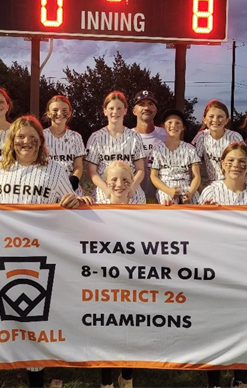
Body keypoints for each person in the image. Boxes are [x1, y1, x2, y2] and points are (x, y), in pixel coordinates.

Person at [0, 115, 89, 388]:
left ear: (41, 142)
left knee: (34, 319)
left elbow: (70, 205)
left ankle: (36, 380)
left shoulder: (54, 170)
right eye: (20, 137)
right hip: (2, 255)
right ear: (12, 140)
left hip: (38, 257)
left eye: (32, 137)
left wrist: (73, 201)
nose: (26, 142)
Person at [199, 142, 247, 388]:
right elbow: (196, 231)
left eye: (241, 161)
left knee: (244, 325)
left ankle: (240, 378)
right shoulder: (210, 192)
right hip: (216, 268)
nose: (235, 165)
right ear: (222, 164)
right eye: (230, 161)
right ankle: (214, 381)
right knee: (215, 326)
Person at [97, 160, 139, 388]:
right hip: (104, 284)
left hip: (132, 283)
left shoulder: (142, 212)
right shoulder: (93, 210)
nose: (119, 184)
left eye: (125, 180)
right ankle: (106, 382)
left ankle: (127, 377)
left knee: (129, 331)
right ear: (106, 182)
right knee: (105, 331)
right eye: (113, 179)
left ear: (132, 183)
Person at [86, 91, 148, 203]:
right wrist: (105, 189)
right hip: (106, 187)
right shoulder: (96, 137)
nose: (115, 112)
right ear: (105, 111)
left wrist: (132, 187)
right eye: (111, 108)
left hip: (129, 187)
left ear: (125, 111)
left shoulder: (134, 137)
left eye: (119, 108)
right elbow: (92, 172)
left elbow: (140, 170)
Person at [150, 109, 201, 205]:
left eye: (178, 123)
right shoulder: (157, 149)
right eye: (169, 122)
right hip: (166, 186)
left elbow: (196, 176)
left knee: (195, 205)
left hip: (186, 186)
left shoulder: (189, 149)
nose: (173, 126)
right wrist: (168, 190)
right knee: (169, 205)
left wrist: (190, 193)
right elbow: (153, 176)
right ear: (163, 126)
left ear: (183, 128)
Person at [192, 99, 244, 188]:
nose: (215, 120)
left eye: (220, 116)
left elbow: (245, 162)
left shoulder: (235, 136)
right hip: (214, 184)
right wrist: (199, 188)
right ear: (204, 119)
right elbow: (194, 164)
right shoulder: (202, 136)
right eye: (211, 116)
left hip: (236, 182)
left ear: (226, 120)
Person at [43, 95, 86, 194]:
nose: (59, 113)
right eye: (55, 110)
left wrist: (74, 181)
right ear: (48, 113)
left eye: (64, 110)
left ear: (70, 113)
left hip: (70, 186)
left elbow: (78, 166)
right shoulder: (41, 136)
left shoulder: (76, 137)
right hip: (47, 186)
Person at [131, 90, 167, 202]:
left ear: (155, 110)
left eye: (150, 104)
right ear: (134, 111)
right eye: (141, 104)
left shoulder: (166, 135)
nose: (146, 108)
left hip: (163, 198)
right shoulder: (127, 137)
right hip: (133, 197)